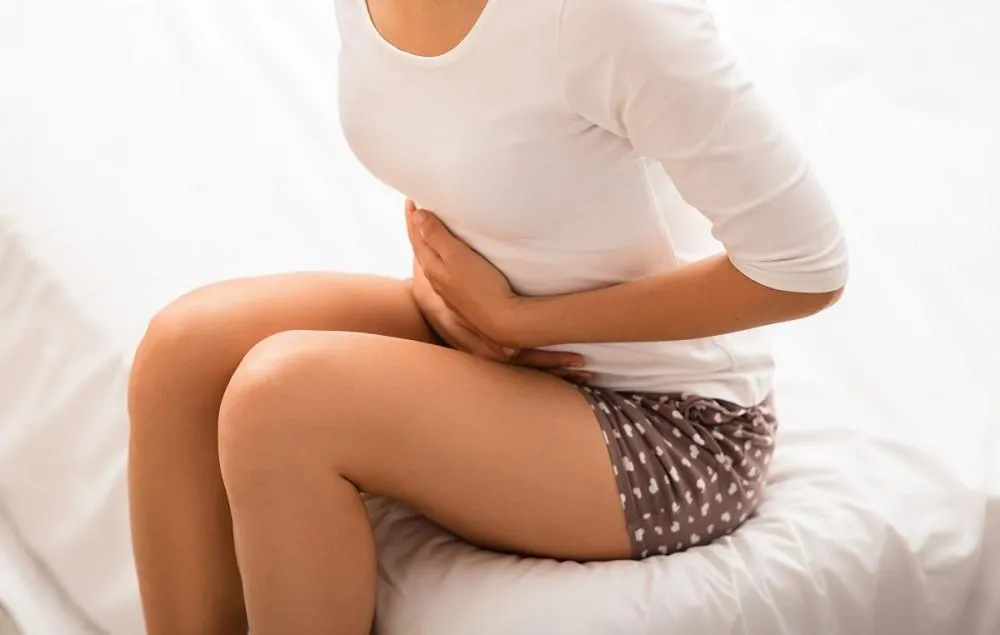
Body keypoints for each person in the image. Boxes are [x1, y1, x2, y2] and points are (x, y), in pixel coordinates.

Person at [126, 0, 848, 633]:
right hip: (485, 340)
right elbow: (463, 142)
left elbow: (804, 267)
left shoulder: (612, 16)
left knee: (283, 401)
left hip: (671, 422)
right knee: (183, 351)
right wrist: (445, 284)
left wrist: (520, 320)